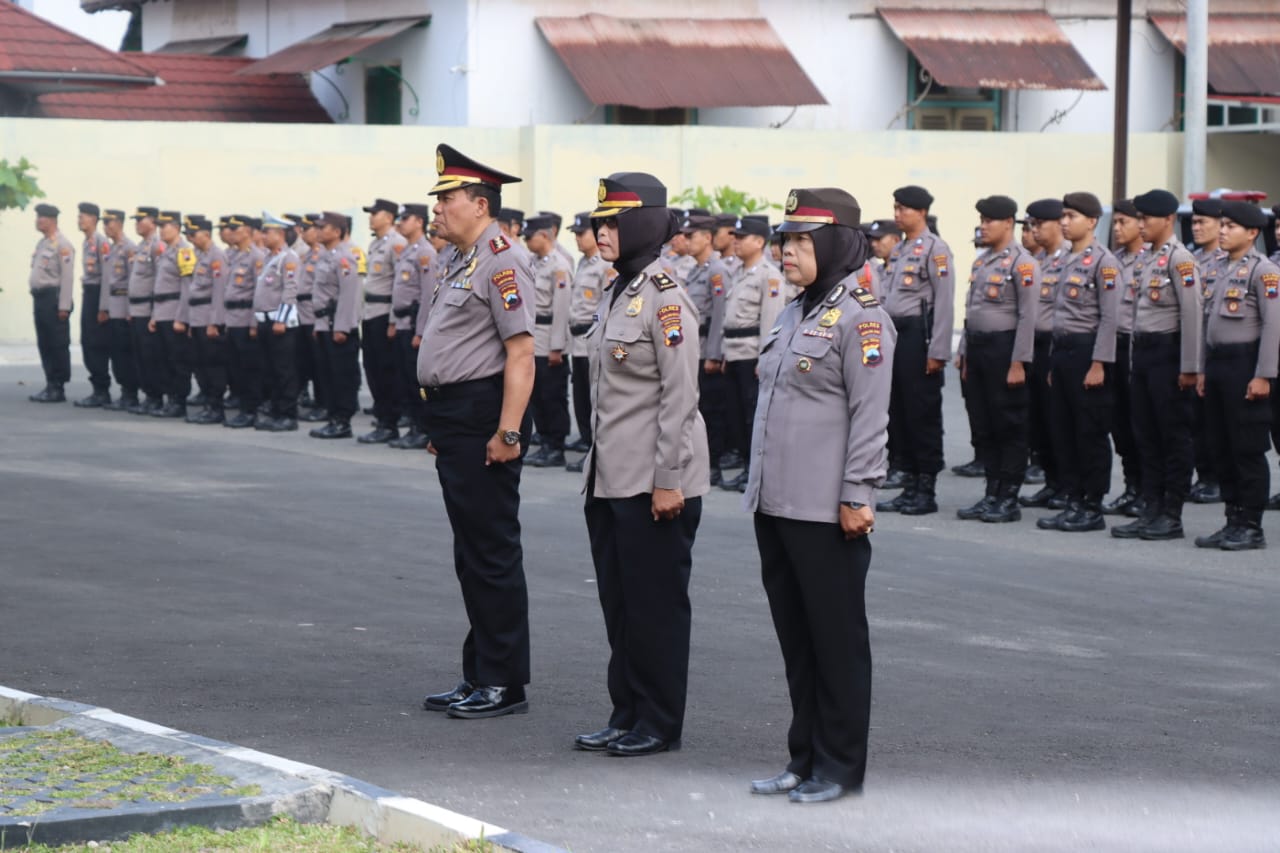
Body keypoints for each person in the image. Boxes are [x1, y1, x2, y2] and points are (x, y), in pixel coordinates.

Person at [745, 186, 893, 803]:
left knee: (836, 642)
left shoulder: (863, 318)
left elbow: (870, 415)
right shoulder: (795, 311)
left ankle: (839, 766)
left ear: (834, 245)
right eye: (787, 240)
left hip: (827, 508)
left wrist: (858, 492)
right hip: (777, 504)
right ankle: (803, 757)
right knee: (798, 642)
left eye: (804, 241)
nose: (789, 252)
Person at [575, 171, 709, 757]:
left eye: (611, 223)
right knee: (620, 606)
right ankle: (625, 711)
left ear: (641, 227)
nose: (599, 232)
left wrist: (669, 481)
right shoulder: (617, 291)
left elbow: (680, 399)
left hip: (654, 482)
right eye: (598, 222)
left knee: (655, 609)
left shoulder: (667, 299)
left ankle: (658, 721)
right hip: (609, 478)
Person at [418, 145, 535, 720]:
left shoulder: (502, 260)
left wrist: (507, 432)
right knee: (471, 553)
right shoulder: (460, 259)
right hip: (458, 419)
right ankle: (479, 671)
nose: (436, 207)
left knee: (491, 552)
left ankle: (504, 682)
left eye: (446, 198)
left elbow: (520, 353)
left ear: (479, 204)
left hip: (486, 417)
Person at [1111, 189, 1203, 541]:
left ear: (1167, 219)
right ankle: (1151, 508)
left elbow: (1193, 315)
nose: (1142, 224)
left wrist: (1190, 366)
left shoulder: (1180, 260)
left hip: (1169, 355)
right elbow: (1136, 316)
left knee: (1172, 436)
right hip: (1144, 356)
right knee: (1145, 436)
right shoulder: (1146, 259)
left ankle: (1171, 514)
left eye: (1147, 218)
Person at [1193, 201, 1279, 550]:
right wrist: (1201, 369)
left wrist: (1264, 375)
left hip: (1246, 365)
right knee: (1222, 446)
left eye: (1231, 226)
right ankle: (1232, 518)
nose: (1223, 231)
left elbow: (1274, 326)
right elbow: (1205, 322)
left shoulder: (1264, 271)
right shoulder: (1216, 267)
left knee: (1246, 449)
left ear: (1252, 233)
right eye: (1222, 225)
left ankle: (1251, 525)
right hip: (1218, 365)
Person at [1035, 193, 1120, 532]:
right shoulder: (1060, 260)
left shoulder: (1104, 262)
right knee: (1063, 431)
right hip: (1063, 353)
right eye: (1064, 216)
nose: (1065, 222)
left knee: (1090, 432)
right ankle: (1072, 499)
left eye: (1071, 216)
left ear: (1092, 221)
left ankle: (1092, 505)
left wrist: (1099, 363)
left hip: (1088, 353)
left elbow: (1110, 318)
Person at [955, 196, 1039, 523]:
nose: (983, 225)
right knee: (984, 424)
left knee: (1009, 425)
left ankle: (1008, 497)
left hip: (1004, 350)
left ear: (1008, 223)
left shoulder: (1023, 263)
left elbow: (1028, 316)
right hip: (978, 349)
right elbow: (971, 311)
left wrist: (1019, 362)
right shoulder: (983, 261)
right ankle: (991, 492)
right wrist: (963, 352)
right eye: (982, 219)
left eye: (990, 220)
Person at [875, 185, 953, 515]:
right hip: (895, 336)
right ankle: (908, 483)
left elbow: (945, 303)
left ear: (921, 212)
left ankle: (926, 488)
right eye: (895, 208)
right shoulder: (902, 249)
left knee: (922, 413)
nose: (897, 215)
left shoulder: (936, 249)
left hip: (918, 337)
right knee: (900, 412)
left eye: (903, 209)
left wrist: (938, 350)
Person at [717, 215, 785, 492]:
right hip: (734, 353)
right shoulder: (739, 272)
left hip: (751, 356)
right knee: (735, 415)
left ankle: (754, 471)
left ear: (759, 242)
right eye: (735, 236)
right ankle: (745, 464)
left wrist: (763, 358)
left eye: (742, 237)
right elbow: (728, 319)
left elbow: (771, 321)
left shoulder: (769, 276)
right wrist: (723, 353)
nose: (736, 241)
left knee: (752, 415)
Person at [1020, 198, 1069, 509]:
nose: (1034, 230)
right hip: (1034, 344)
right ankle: (1051, 482)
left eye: (1039, 224)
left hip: (1056, 344)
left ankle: (1066, 484)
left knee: (1058, 420)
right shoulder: (1038, 261)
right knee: (1038, 419)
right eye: (1032, 224)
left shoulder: (1067, 261)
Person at [1103, 199, 1149, 517]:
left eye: (1124, 222)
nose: (1117, 228)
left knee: (1141, 425)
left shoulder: (1152, 262)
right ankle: (1132, 488)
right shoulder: (1114, 261)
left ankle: (1148, 491)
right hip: (1114, 347)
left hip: (1140, 348)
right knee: (1119, 424)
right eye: (1115, 222)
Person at [682, 213, 733, 486]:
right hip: (694, 349)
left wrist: (714, 353)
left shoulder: (717, 271)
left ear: (708, 238)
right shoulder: (695, 271)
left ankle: (713, 466)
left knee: (711, 412)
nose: (687, 240)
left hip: (706, 350)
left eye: (692, 236)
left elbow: (719, 315)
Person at [524, 212, 574, 468]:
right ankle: (544, 440)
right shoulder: (533, 262)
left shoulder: (559, 266)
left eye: (530, 237)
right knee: (537, 395)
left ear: (544, 235)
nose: (527, 242)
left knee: (552, 395)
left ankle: (555, 446)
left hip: (549, 340)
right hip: (533, 337)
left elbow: (562, 309)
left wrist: (557, 347)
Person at [309, 212, 365, 440]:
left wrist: (342, 327)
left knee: (341, 375)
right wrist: (318, 325)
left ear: (336, 231)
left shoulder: (345, 258)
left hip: (337, 325)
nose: (318, 231)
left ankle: (342, 421)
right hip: (325, 323)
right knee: (327, 374)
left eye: (323, 228)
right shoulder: (326, 256)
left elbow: (349, 295)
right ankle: (333, 418)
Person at [1188, 199, 1229, 504]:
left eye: (1204, 223)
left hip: (1217, 349)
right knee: (1194, 420)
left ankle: (1216, 478)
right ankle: (1204, 475)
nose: (1197, 228)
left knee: (1217, 420)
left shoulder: (1227, 260)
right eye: (1194, 223)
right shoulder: (1191, 259)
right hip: (1191, 348)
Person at [565, 212, 611, 471]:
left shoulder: (605, 265)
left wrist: (595, 329)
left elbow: (604, 306)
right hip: (577, 341)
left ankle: (597, 451)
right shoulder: (583, 263)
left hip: (592, 339)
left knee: (595, 400)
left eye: (581, 234)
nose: (577, 239)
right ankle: (587, 447)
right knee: (581, 399)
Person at [388, 203, 435, 450]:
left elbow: (427, 296)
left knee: (417, 383)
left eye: (405, 218)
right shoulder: (407, 251)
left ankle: (422, 429)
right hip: (403, 322)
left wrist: (420, 331)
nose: (400, 223)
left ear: (419, 221)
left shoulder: (425, 252)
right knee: (404, 379)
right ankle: (414, 427)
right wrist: (394, 323)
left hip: (414, 325)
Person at [359, 198, 407, 444]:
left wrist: (392, 320)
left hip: (384, 314)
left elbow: (400, 283)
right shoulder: (376, 243)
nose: (371, 217)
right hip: (370, 313)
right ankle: (382, 419)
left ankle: (389, 423)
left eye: (375, 213)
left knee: (386, 372)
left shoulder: (396, 244)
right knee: (373, 370)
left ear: (388, 217)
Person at [253, 213, 301, 431]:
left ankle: (288, 414)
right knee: (268, 370)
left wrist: (281, 320)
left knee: (284, 371)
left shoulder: (288, 258)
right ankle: (275, 412)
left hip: (279, 323)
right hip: (265, 321)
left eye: (267, 232)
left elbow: (290, 290)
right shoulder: (267, 257)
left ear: (280, 234)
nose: (263, 235)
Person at [179, 216, 228, 425]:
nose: (190, 238)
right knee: (199, 363)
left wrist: (214, 322)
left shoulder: (217, 256)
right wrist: (190, 321)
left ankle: (216, 407)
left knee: (212, 364)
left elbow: (219, 291)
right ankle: (208, 403)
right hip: (197, 317)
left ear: (206, 234)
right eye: (188, 235)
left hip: (208, 316)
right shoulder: (198, 255)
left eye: (193, 234)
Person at [148, 211, 196, 419]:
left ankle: (179, 401)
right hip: (162, 312)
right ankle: (170, 398)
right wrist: (154, 316)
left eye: (165, 225)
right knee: (164, 359)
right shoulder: (166, 252)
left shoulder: (184, 251)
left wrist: (181, 317)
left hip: (175, 311)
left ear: (176, 227)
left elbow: (187, 288)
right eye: (159, 226)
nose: (161, 229)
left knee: (178, 360)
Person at [221, 215, 266, 428]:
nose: (231, 232)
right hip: (232, 320)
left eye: (235, 229)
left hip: (246, 319)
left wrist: (253, 323)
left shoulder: (256, 257)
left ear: (247, 231)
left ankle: (251, 410)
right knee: (236, 368)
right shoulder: (236, 256)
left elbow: (258, 293)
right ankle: (243, 408)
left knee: (250, 370)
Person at [28, 203, 75, 403]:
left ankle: (58, 385)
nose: (38, 220)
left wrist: (64, 306)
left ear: (53, 221)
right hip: (40, 298)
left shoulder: (62, 245)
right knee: (44, 342)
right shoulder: (42, 244)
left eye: (42, 217)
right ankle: (50, 383)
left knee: (57, 343)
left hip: (53, 298)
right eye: (37, 217)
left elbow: (67, 278)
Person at [98, 209, 139, 411]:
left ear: (119, 223)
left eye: (108, 222)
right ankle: (124, 390)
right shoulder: (112, 249)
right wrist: (104, 308)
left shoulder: (129, 248)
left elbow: (133, 281)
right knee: (116, 352)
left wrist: (131, 310)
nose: (105, 226)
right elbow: (107, 282)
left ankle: (130, 393)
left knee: (125, 352)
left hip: (124, 308)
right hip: (113, 308)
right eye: (104, 222)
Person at [74, 202, 113, 408]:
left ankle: (102, 390)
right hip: (89, 293)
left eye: (84, 216)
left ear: (94, 219)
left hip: (98, 294)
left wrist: (103, 307)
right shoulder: (86, 242)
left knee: (97, 343)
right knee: (87, 341)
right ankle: (97, 388)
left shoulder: (101, 242)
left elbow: (107, 276)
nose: (79, 219)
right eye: (79, 216)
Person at [293, 214, 324, 419]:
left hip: (315, 315)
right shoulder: (308, 255)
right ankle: (316, 401)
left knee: (321, 364)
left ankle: (324, 403)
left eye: (307, 229)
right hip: (303, 315)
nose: (303, 233)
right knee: (308, 362)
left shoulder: (324, 254)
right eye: (302, 229)